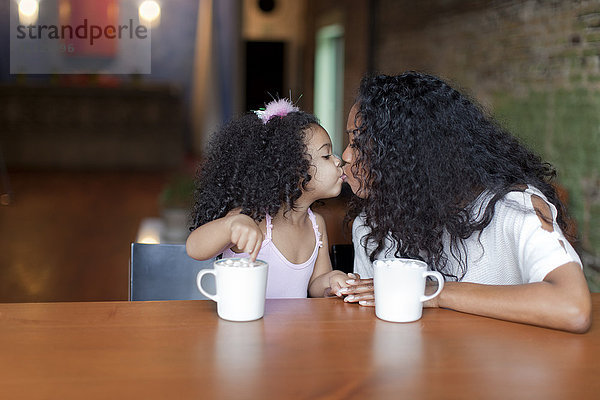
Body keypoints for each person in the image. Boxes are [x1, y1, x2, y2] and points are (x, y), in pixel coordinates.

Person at [339, 72, 592, 333]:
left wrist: (435, 293)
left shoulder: (515, 207)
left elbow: (572, 308)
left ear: (409, 152)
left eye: (358, 142)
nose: (345, 155)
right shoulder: (372, 224)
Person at [186, 99, 351, 298]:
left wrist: (330, 281)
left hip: (296, 328)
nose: (337, 160)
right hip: (247, 327)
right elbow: (194, 248)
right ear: (294, 171)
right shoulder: (252, 218)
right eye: (326, 155)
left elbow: (315, 284)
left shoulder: (316, 225)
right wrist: (231, 225)